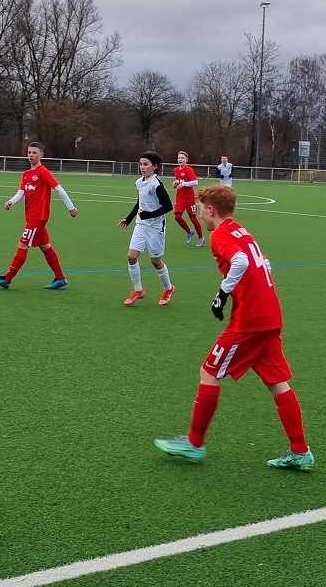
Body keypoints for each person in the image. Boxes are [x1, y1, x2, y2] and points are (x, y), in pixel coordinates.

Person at [154, 184, 313, 470]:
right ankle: (300, 450)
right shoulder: (241, 230)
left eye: (201, 209)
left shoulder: (221, 234)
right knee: (277, 382)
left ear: (211, 210)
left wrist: (223, 293)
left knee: (209, 371)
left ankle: (194, 443)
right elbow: (264, 262)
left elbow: (240, 260)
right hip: (270, 314)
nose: (199, 213)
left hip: (249, 319)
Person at [0, 141, 77, 289]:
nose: (31, 155)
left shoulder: (43, 172)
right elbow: (21, 193)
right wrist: (11, 201)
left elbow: (59, 189)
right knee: (45, 246)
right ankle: (60, 278)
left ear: (41, 155)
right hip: (31, 216)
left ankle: (7, 279)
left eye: (34, 153)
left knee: (22, 245)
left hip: (38, 217)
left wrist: (71, 208)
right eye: (29, 152)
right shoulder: (26, 174)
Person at [118, 151, 176, 306]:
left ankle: (168, 288)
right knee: (131, 256)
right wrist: (129, 219)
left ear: (155, 166)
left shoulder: (157, 185)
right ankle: (138, 290)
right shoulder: (139, 182)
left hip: (156, 227)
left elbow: (168, 206)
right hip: (141, 225)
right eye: (141, 164)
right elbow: (140, 202)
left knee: (156, 261)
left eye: (146, 164)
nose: (142, 167)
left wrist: (149, 215)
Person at [172, 150, 205, 247]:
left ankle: (201, 238)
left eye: (182, 158)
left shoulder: (188, 169)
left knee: (193, 219)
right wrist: (175, 183)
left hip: (189, 198)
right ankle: (189, 232)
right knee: (177, 217)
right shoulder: (176, 170)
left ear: (186, 160)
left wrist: (184, 184)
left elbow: (195, 182)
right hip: (179, 198)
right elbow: (179, 181)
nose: (180, 159)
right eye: (179, 158)